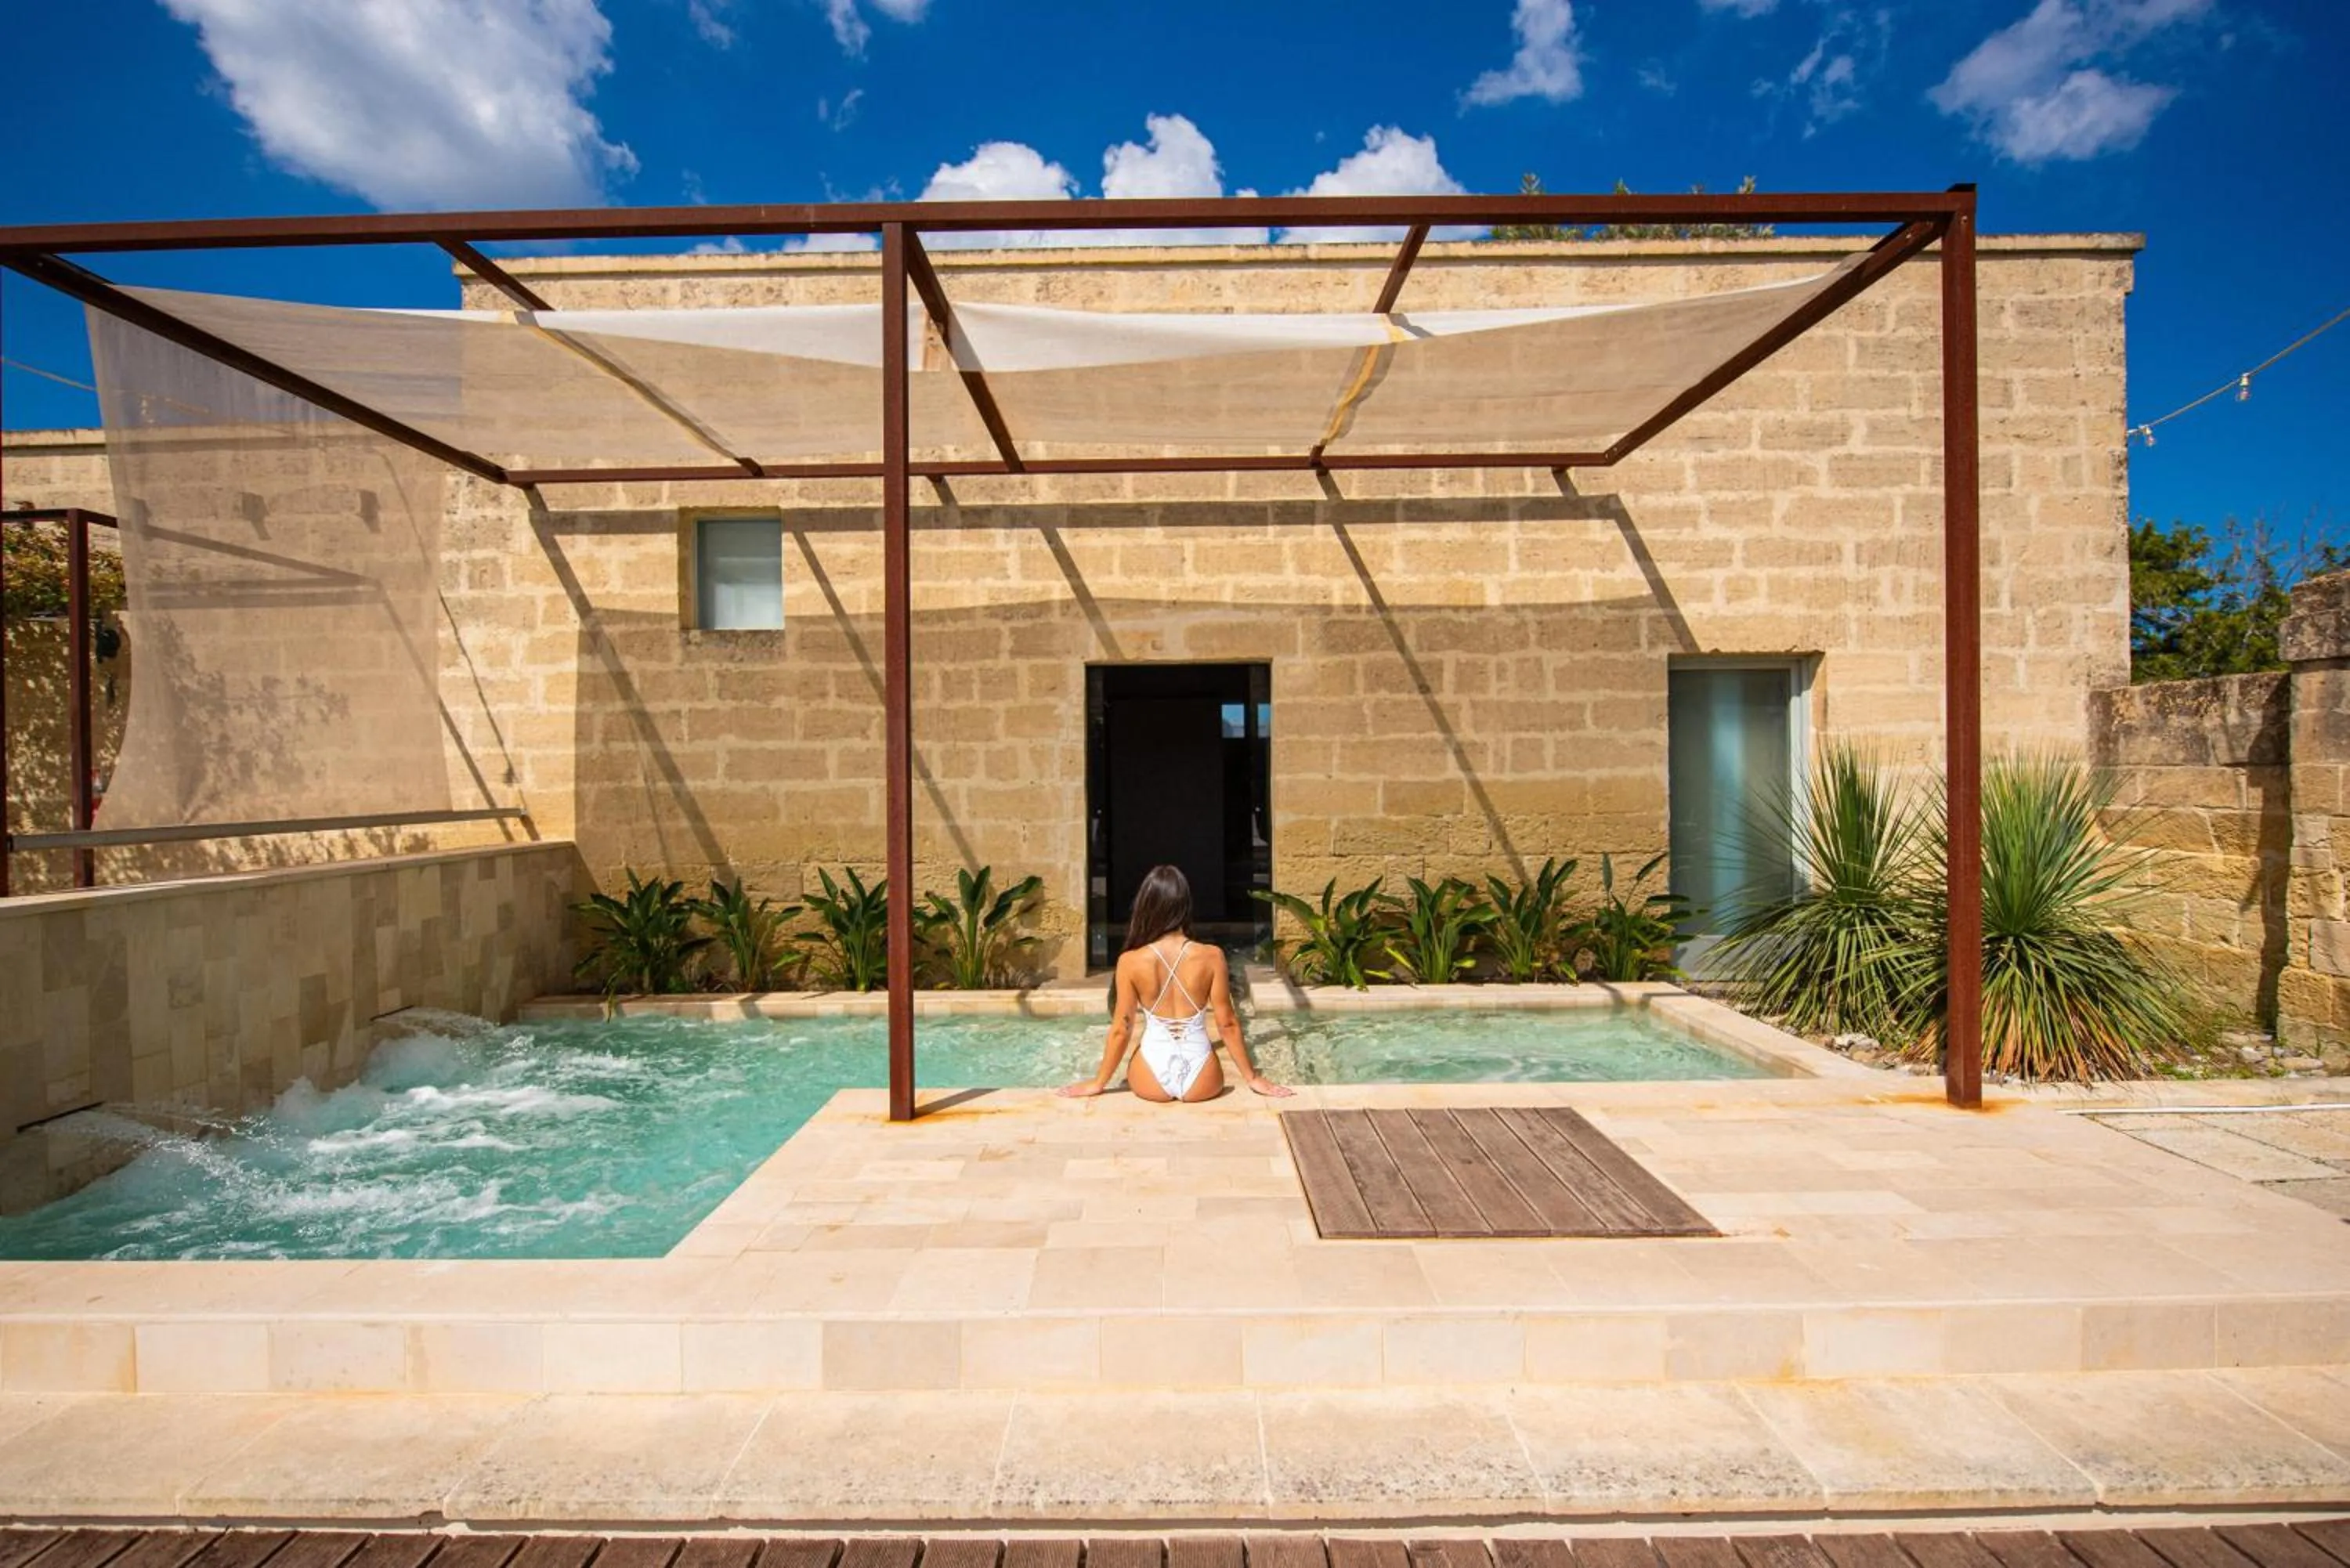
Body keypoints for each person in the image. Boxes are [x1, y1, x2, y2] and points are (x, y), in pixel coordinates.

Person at [1058, 863, 1292, 1101]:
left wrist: (1099, 1082)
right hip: (1203, 1079)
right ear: (1185, 906)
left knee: (1140, 1046)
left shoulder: (1130, 961)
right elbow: (1227, 1024)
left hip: (1150, 1076)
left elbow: (1122, 1028)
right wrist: (1252, 1078)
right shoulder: (1212, 956)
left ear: (1146, 906)